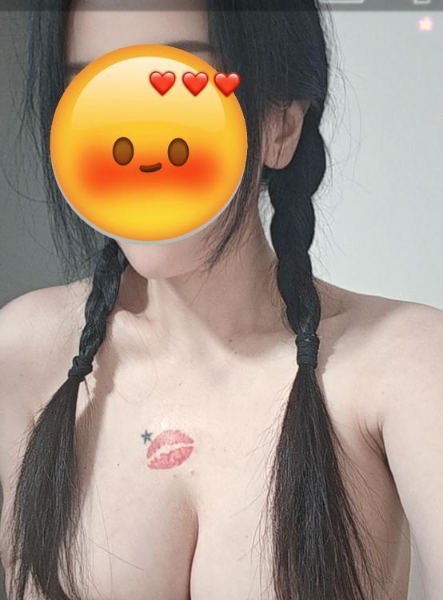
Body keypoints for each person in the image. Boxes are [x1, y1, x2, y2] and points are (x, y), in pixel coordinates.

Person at [0, 1, 442, 599]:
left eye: (173, 85)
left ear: (280, 124)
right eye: (92, 91)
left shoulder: (405, 365)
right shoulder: (23, 355)